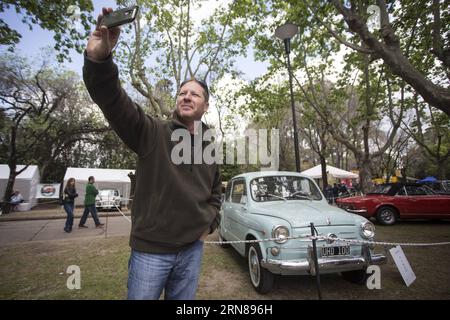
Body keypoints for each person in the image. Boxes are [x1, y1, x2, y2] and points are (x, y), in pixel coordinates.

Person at [83, 7, 221, 300]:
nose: (186, 96)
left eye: (194, 94)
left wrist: (207, 226)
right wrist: (99, 60)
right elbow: (112, 100)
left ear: (205, 106)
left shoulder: (210, 148)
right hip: (150, 253)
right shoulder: (151, 131)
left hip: (192, 251)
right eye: (182, 92)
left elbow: (216, 195)